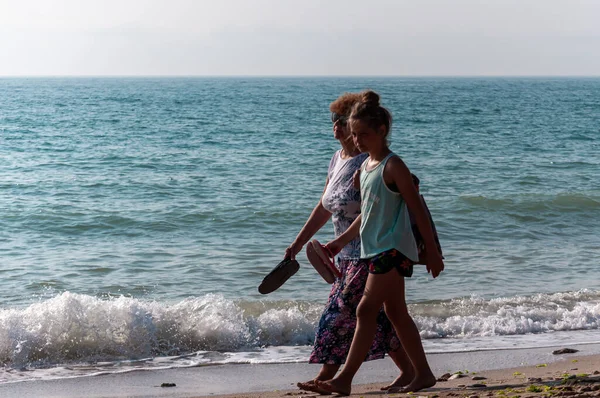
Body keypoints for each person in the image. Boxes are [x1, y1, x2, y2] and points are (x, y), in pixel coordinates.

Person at [315, 90, 445, 396]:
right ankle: (423, 374)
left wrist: (433, 252)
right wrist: (339, 243)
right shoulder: (365, 168)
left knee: (365, 310)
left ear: (382, 131)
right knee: (396, 314)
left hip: (393, 250)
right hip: (373, 249)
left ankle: (344, 379)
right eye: (354, 134)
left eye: (364, 134)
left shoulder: (393, 165)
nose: (357, 140)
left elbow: (418, 210)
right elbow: (367, 216)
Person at [285, 92, 413, 395]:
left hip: (367, 252)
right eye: (334, 121)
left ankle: (330, 377)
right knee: (376, 318)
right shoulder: (337, 160)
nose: (337, 128)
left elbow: (378, 207)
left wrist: (341, 242)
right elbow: (324, 206)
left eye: (343, 122)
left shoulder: (367, 162)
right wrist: (297, 243)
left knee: (338, 312)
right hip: (345, 256)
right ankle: (412, 370)